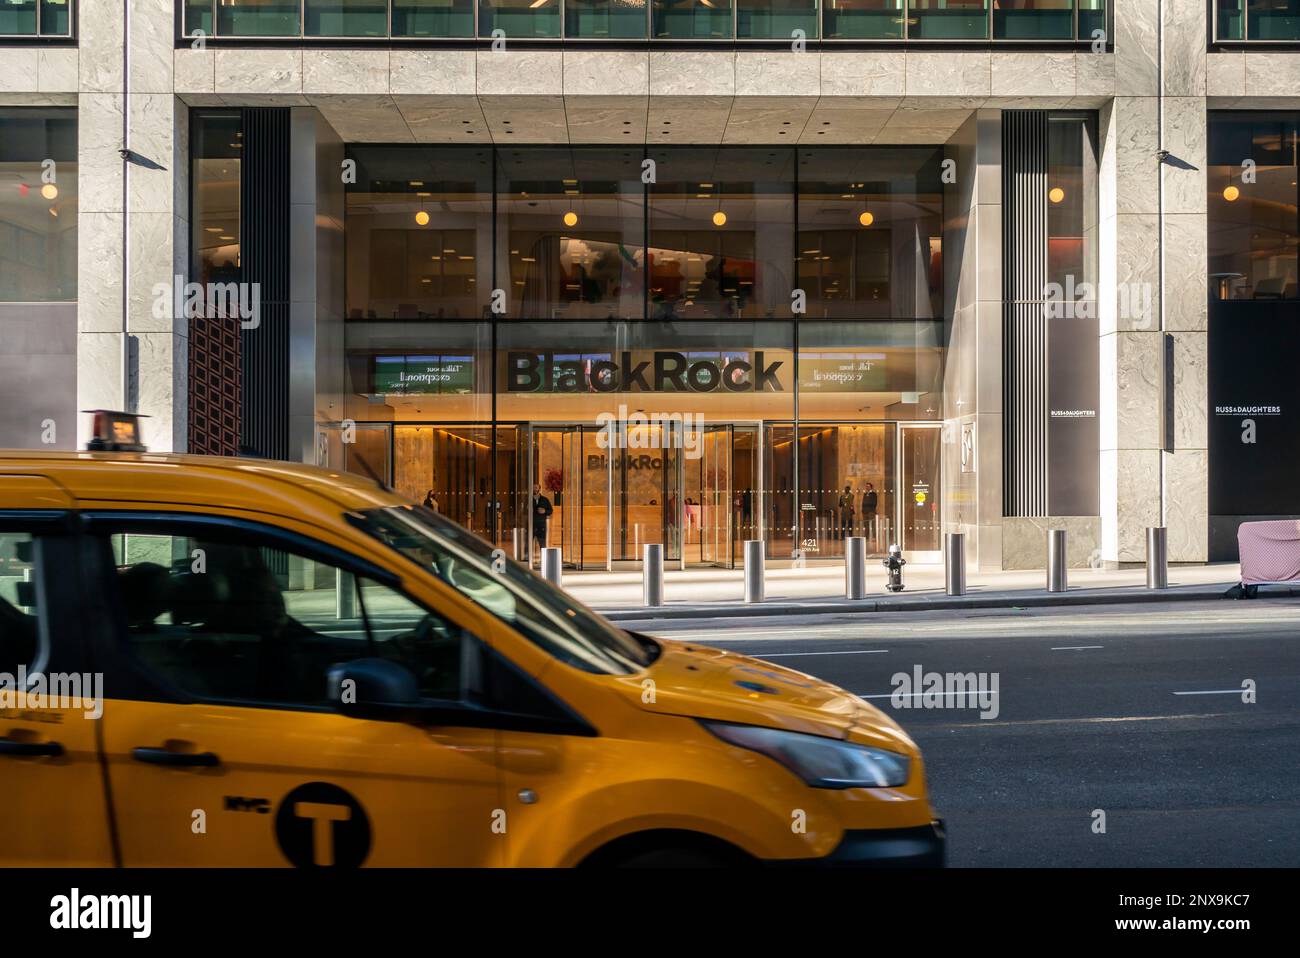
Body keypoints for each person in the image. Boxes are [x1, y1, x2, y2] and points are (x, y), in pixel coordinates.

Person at [531, 483, 554, 563]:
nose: (534, 489)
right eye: (533, 488)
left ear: (539, 489)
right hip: (531, 524)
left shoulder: (545, 499)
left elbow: (550, 510)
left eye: (536, 488)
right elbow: (522, 511)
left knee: (542, 543)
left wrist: (545, 511)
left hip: (541, 525)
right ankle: (529, 560)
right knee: (529, 543)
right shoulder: (528, 499)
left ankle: (544, 560)